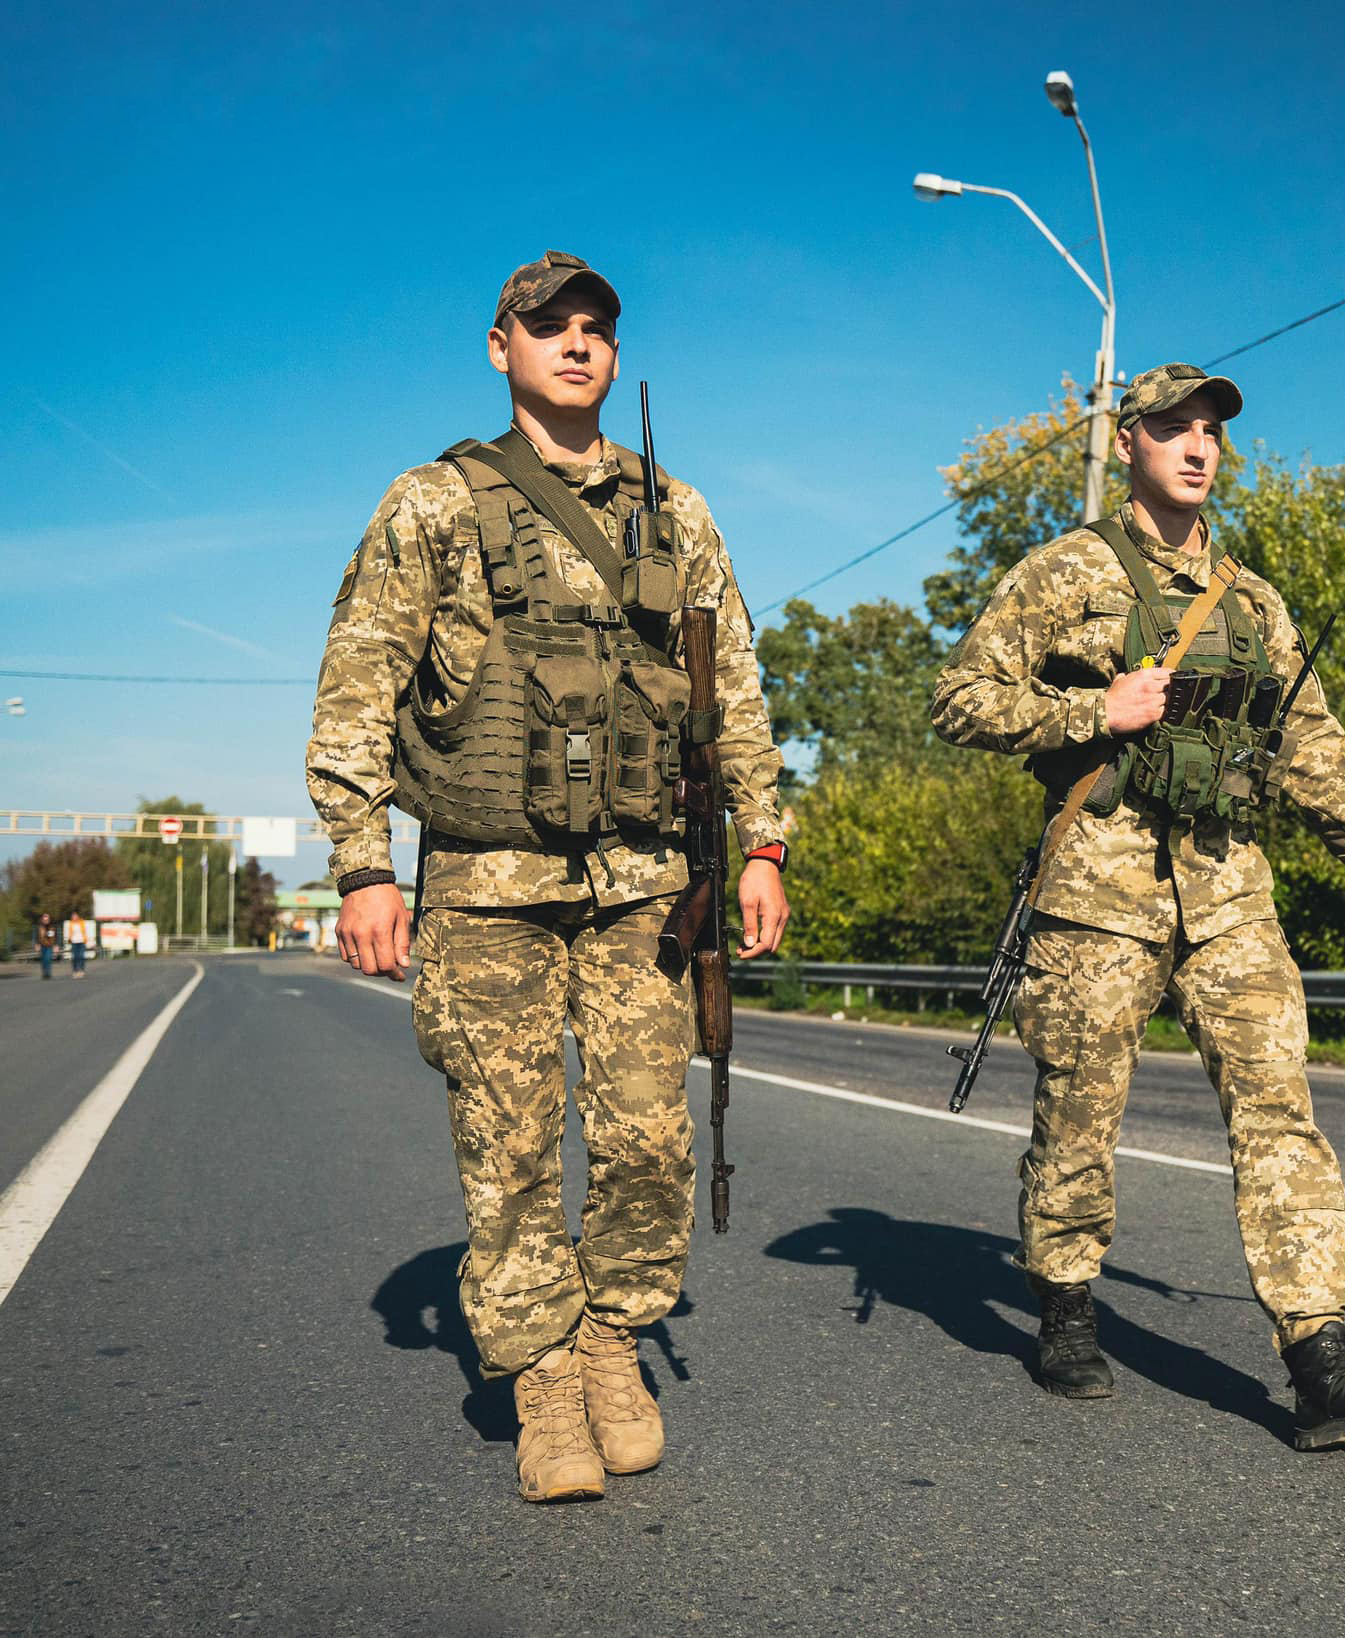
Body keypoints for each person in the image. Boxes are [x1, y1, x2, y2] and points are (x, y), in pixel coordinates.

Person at [306, 251, 790, 1503]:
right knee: (509, 1145)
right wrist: (364, 867)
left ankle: (613, 1339)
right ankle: (540, 1379)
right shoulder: (432, 504)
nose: (576, 345)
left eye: (595, 329)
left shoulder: (675, 512)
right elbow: (357, 688)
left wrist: (764, 843)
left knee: (646, 1140)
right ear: (500, 346)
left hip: (646, 882)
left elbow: (732, 688)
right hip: (486, 882)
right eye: (549, 326)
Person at [931, 363, 1345, 1452]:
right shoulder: (1062, 571)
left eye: (1209, 429)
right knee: (1080, 1114)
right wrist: (1092, 708)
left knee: (1279, 1113)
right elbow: (960, 700)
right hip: (1096, 895)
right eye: (1171, 426)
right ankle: (1066, 1304)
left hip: (1229, 894)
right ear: (1128, 441)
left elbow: (1314, 751)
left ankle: (1322, 1358)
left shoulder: (1255, 601)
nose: (1196, 444)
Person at [63, 911, 89, 977]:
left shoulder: (82, 922)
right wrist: (69, 939)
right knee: (75, 957)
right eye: (73, 916)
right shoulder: (71, 924)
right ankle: (75, 971)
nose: (74, 917)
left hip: (81, 942)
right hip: (74, 942)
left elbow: (85, 931)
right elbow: (69, 932)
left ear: (78, 916)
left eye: (75, 916)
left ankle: (81, 970)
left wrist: (86, 939)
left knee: (81, 957)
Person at [35, 913, 58, 979]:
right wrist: (37, 944)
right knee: (43, 960)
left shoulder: (52, 927)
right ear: (42, 919)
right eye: (44, 919)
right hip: (42, 945)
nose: (45, 920)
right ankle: (44, 972)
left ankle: (48, 973)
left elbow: (55, 936)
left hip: (49, 945)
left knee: (48, 959)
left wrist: (56, 945)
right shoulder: (40, 927)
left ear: (49, 919)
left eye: (47, 919)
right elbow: (37, 936)